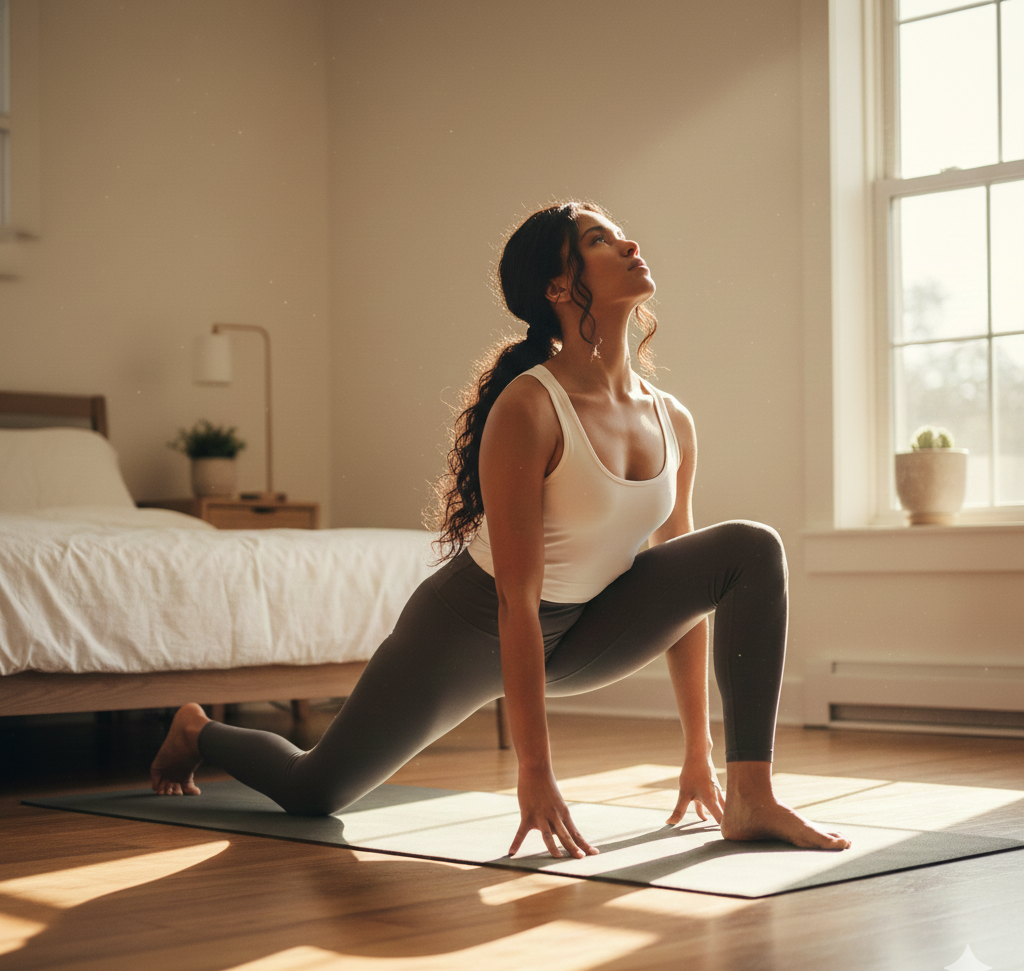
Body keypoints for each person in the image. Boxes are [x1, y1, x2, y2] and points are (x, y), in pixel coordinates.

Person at [151, 201, 851, 858]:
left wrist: (698, 751)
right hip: (469, 632)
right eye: (598, 241)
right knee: (314, 791)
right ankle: (200, 730)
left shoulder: (674, 419)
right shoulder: (530, 407)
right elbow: (515, 599)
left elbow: (686, 585)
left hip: (584, 631)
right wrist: (536, 773)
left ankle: (752, 797)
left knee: (750, 549)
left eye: (619, 232)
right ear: (557, 285)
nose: (630, 244)